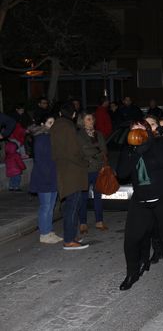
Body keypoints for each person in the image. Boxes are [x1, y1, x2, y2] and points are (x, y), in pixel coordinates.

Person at [116, 120, 163, 291]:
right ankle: (132, 273)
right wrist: (134, 152)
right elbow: (121, 173)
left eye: (140, 128)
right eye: (133, 128)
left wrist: (148, 145)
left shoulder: (158, 143)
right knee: (131, 239)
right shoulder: (129, 149)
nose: (136, 131)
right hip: (141, 200)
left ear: (147, 130)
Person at [50, 101, 89, 250]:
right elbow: (73, 151)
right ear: (73, 115)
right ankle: (69, 240)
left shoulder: (56, 126)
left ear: (60, 113)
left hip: (63, 170)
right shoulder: (68, 127)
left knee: (70, 205)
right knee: (73, 206)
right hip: (73, 172)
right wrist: (84, 162)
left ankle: (71, 235)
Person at [29, 114, 62, 243]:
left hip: (52, 176)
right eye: (49, 123)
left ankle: (48, 230)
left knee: (51, 206)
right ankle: (44, 233)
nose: (52, 125)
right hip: (44, 178)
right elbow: (41, 161)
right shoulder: (41, 138)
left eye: (53, 122)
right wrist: (49, 175)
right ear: (43, 124)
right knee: (46, 206)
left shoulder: (50, 137)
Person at [77, 112, 108, 234]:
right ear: (82, 121)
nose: (91, 121)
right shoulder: (79, 135)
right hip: (85, 169)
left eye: (92, 119)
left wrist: (93, 153)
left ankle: (99, 221)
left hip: (98, 169)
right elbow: (81, 151)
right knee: (83, 197)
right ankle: (83, 223)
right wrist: (96, 152)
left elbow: (104, 150)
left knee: (98, 196)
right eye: (88, 119)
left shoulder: (99, 134)